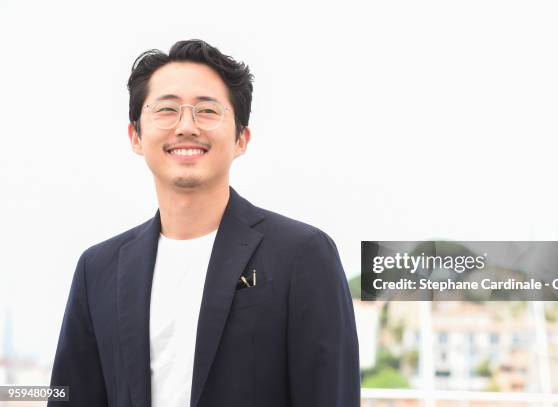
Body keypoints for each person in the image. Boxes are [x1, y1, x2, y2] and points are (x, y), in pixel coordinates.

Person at [48, 39, 360, 407]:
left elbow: (330, 395)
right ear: (136, 136)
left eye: (207, 111)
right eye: (166, 109)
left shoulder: (301, 255)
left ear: (241, 138)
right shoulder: (98, 268)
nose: (186, 126)